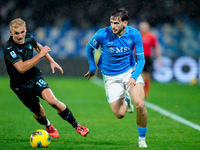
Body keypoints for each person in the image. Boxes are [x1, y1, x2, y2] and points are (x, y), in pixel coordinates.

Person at [3, 18, 89, 138]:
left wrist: (52, 61)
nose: (20, 35)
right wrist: (40, 55)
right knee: (39, 113)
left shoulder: (29, 38)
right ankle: (48, 125)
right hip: (20, 85)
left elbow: (39, 47)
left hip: (34, 76)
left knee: (52, 101)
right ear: (11, 32)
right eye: (16, 33)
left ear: (25, 29)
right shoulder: (9, 48)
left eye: (22, 32)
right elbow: (21, 68)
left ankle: (77, 126)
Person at [84, 8, 148, 147]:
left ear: (125, 23)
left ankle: (141, 139)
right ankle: (126, 98)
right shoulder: (102, 34)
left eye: (116, 23)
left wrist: (134, 76)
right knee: (119, 114)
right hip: (110, 76)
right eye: (111, 22)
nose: (113, 26)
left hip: (129, 71)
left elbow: (141, 60)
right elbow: (89, 48)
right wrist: (92, 68)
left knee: (141, 105)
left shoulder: (134, 34)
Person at [139, 21, 162, 99]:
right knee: (139, 76)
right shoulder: (137, 36)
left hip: (147, 58)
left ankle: (146, 93)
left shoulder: (151, 37)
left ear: (148, 27)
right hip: (138, 57)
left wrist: (159, 59)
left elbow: (157, 48)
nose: (143, 28)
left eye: (144, 27)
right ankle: (139, 92)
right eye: (142, 27)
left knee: (147, 76)